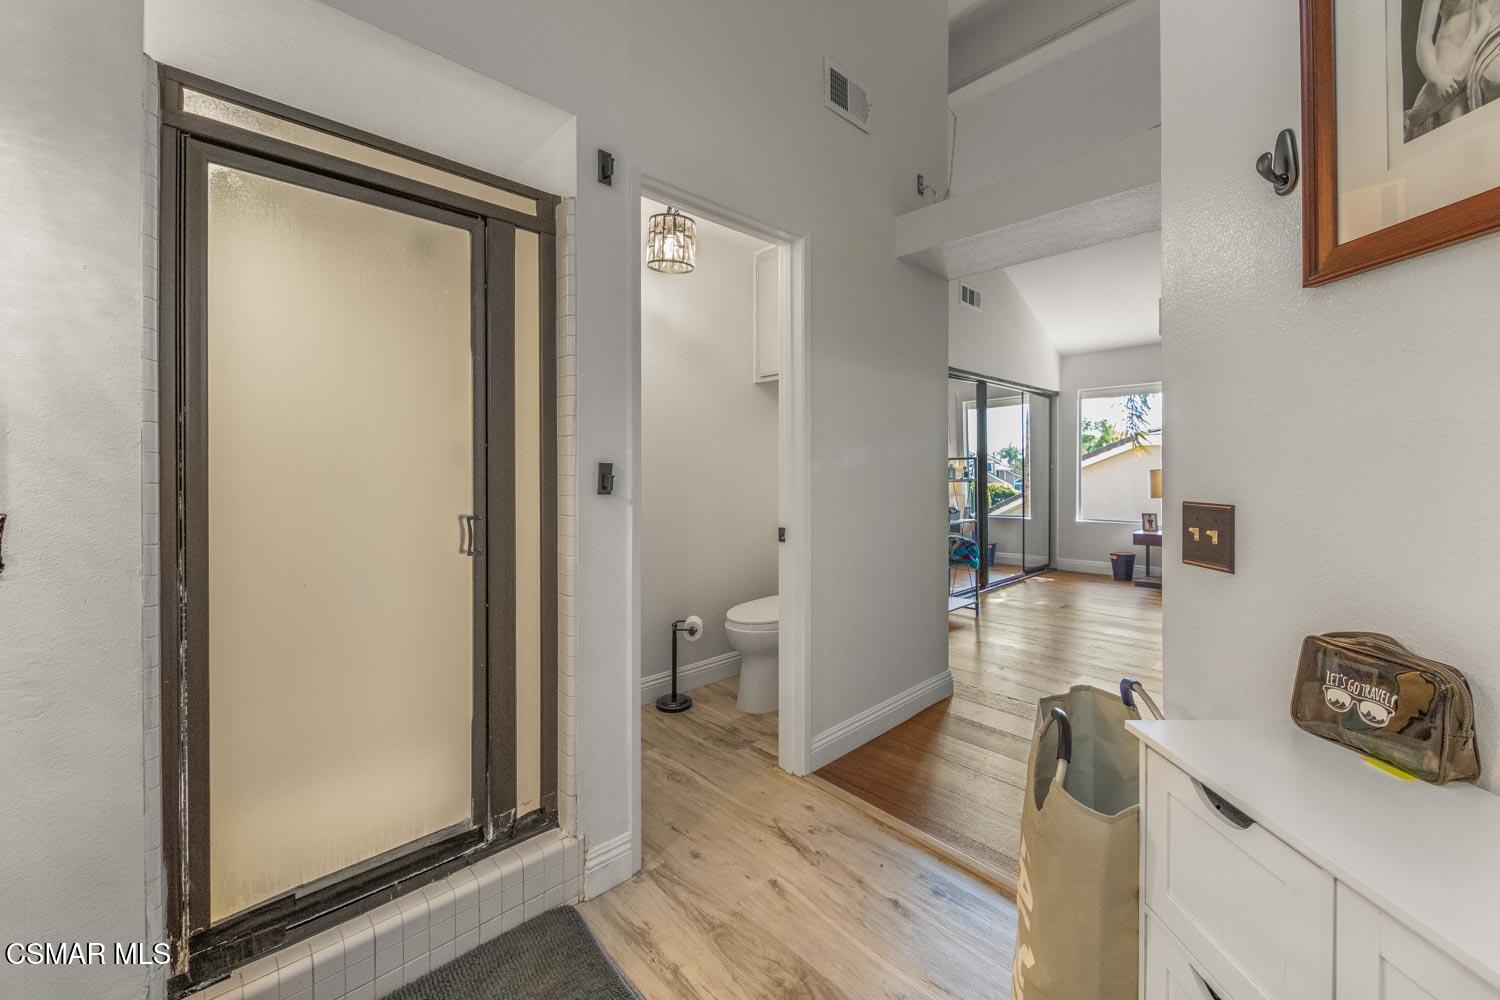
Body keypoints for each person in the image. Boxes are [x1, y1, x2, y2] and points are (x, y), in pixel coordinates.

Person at [1406, 0, 1498, 139]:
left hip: (1474, 51)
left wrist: (1485, 23)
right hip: (1449, 62)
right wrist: (1437, 77)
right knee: (1456, 127)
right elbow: (1424, 40)